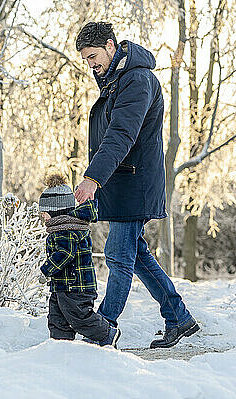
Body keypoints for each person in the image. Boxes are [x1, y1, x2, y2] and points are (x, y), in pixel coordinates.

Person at [73, 22, 199, 348]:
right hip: (124, 181)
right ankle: (178, 317)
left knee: (117, 255)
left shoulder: (137, 80)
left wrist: (92, 178)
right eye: (86, 59)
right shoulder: (118, 79)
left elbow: (121, 134)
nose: (90, 64)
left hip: (136, 182)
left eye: (93, 56)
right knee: (136, 254)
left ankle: (104, 328)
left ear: (111, 46)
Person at [39, 174, 120, 348]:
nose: (43, 216)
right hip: (63, 285)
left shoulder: (66, 230)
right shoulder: (62, 227)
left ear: (56, 211)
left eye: (44, 212)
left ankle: (107, 333)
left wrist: (46, 269)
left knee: (79, 317)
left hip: (76, 286)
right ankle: (60, 345)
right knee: (57, 317)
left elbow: (64, 254)